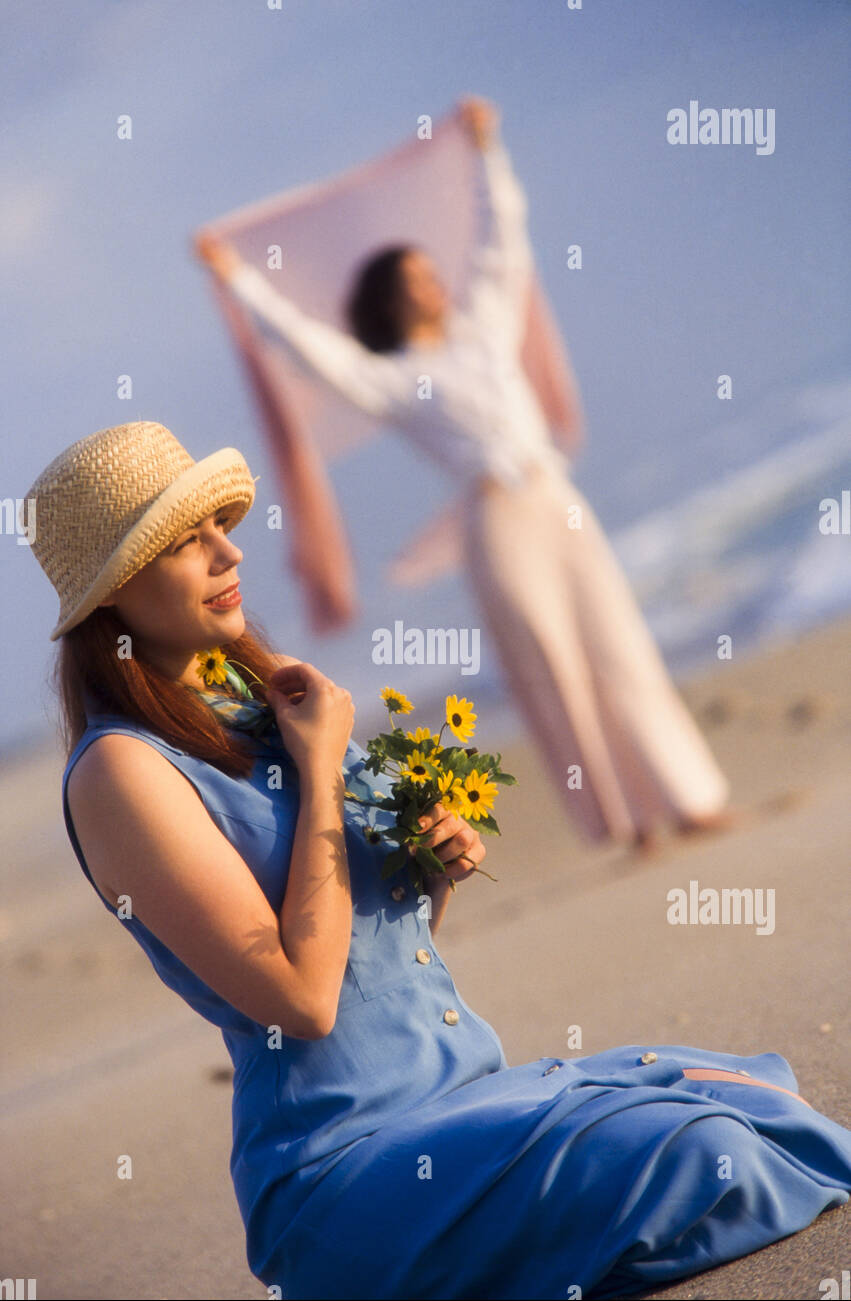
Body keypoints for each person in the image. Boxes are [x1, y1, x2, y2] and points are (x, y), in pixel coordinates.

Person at [22, 418, 851, 1300]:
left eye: (221, 525)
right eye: (187, 542)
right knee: (709, 1154)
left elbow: (376, 955)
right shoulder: (121, 771)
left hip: (466, 1099)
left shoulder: (251, 704)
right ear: (113, 593)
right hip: (345, 1170)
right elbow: (302, 999)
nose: (229, 553)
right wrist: (318, 769)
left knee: (756, 1100)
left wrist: (429, 873)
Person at [195, 95, 737, 854]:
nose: (430, 284)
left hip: (554, 499)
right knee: (549, 663)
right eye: (411, 279)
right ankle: (628, 823)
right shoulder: (386, 377)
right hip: (495, 522)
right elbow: (308, 346)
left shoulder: (486, 321)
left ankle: (691, 798)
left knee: (618, 645)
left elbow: (500, 240)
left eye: (428, 272)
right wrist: (239, 280)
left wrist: (486, 149)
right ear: (387, 300)